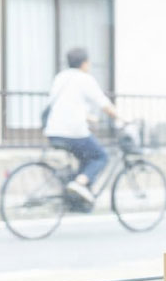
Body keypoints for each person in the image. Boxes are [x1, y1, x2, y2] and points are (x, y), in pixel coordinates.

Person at [43, 47, 126, 204]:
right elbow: (103, 103)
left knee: (86, 157)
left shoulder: (60, 77)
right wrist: (122, 118)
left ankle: (77, 199)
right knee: (101, 156)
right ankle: (79, 184)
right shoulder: (84, 79)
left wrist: (88, 117)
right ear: (84, 63)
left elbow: (63, 105)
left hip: (53, 131)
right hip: (72, 132)